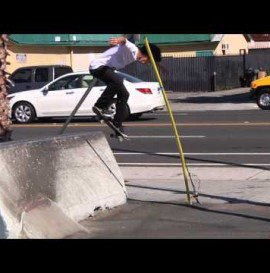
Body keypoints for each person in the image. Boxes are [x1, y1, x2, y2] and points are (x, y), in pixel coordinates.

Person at [89, 36, 162, 136]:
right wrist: (119, 40)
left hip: (106, 69)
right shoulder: (133, 49)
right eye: (148, 61)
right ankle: (100, 106)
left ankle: (117, 123)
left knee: (124, 93)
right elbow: (124, 40)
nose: (146, 63)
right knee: (118, 82)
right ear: (147, 55)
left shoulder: (135, 56)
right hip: (97, 67)